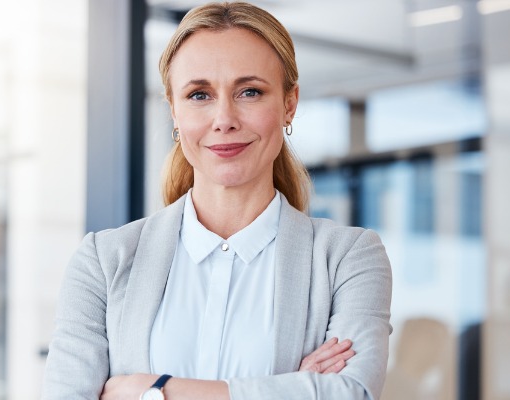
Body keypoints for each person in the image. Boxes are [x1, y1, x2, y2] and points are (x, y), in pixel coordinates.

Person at [42, 2, 392, 399]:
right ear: (174, 110)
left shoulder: (348, 258)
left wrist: (151, 391)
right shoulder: (103, 261)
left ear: (289, 104)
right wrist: (288, 388)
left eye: (250, 92)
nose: (224, 118)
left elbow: (350, 394)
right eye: (199, 95)